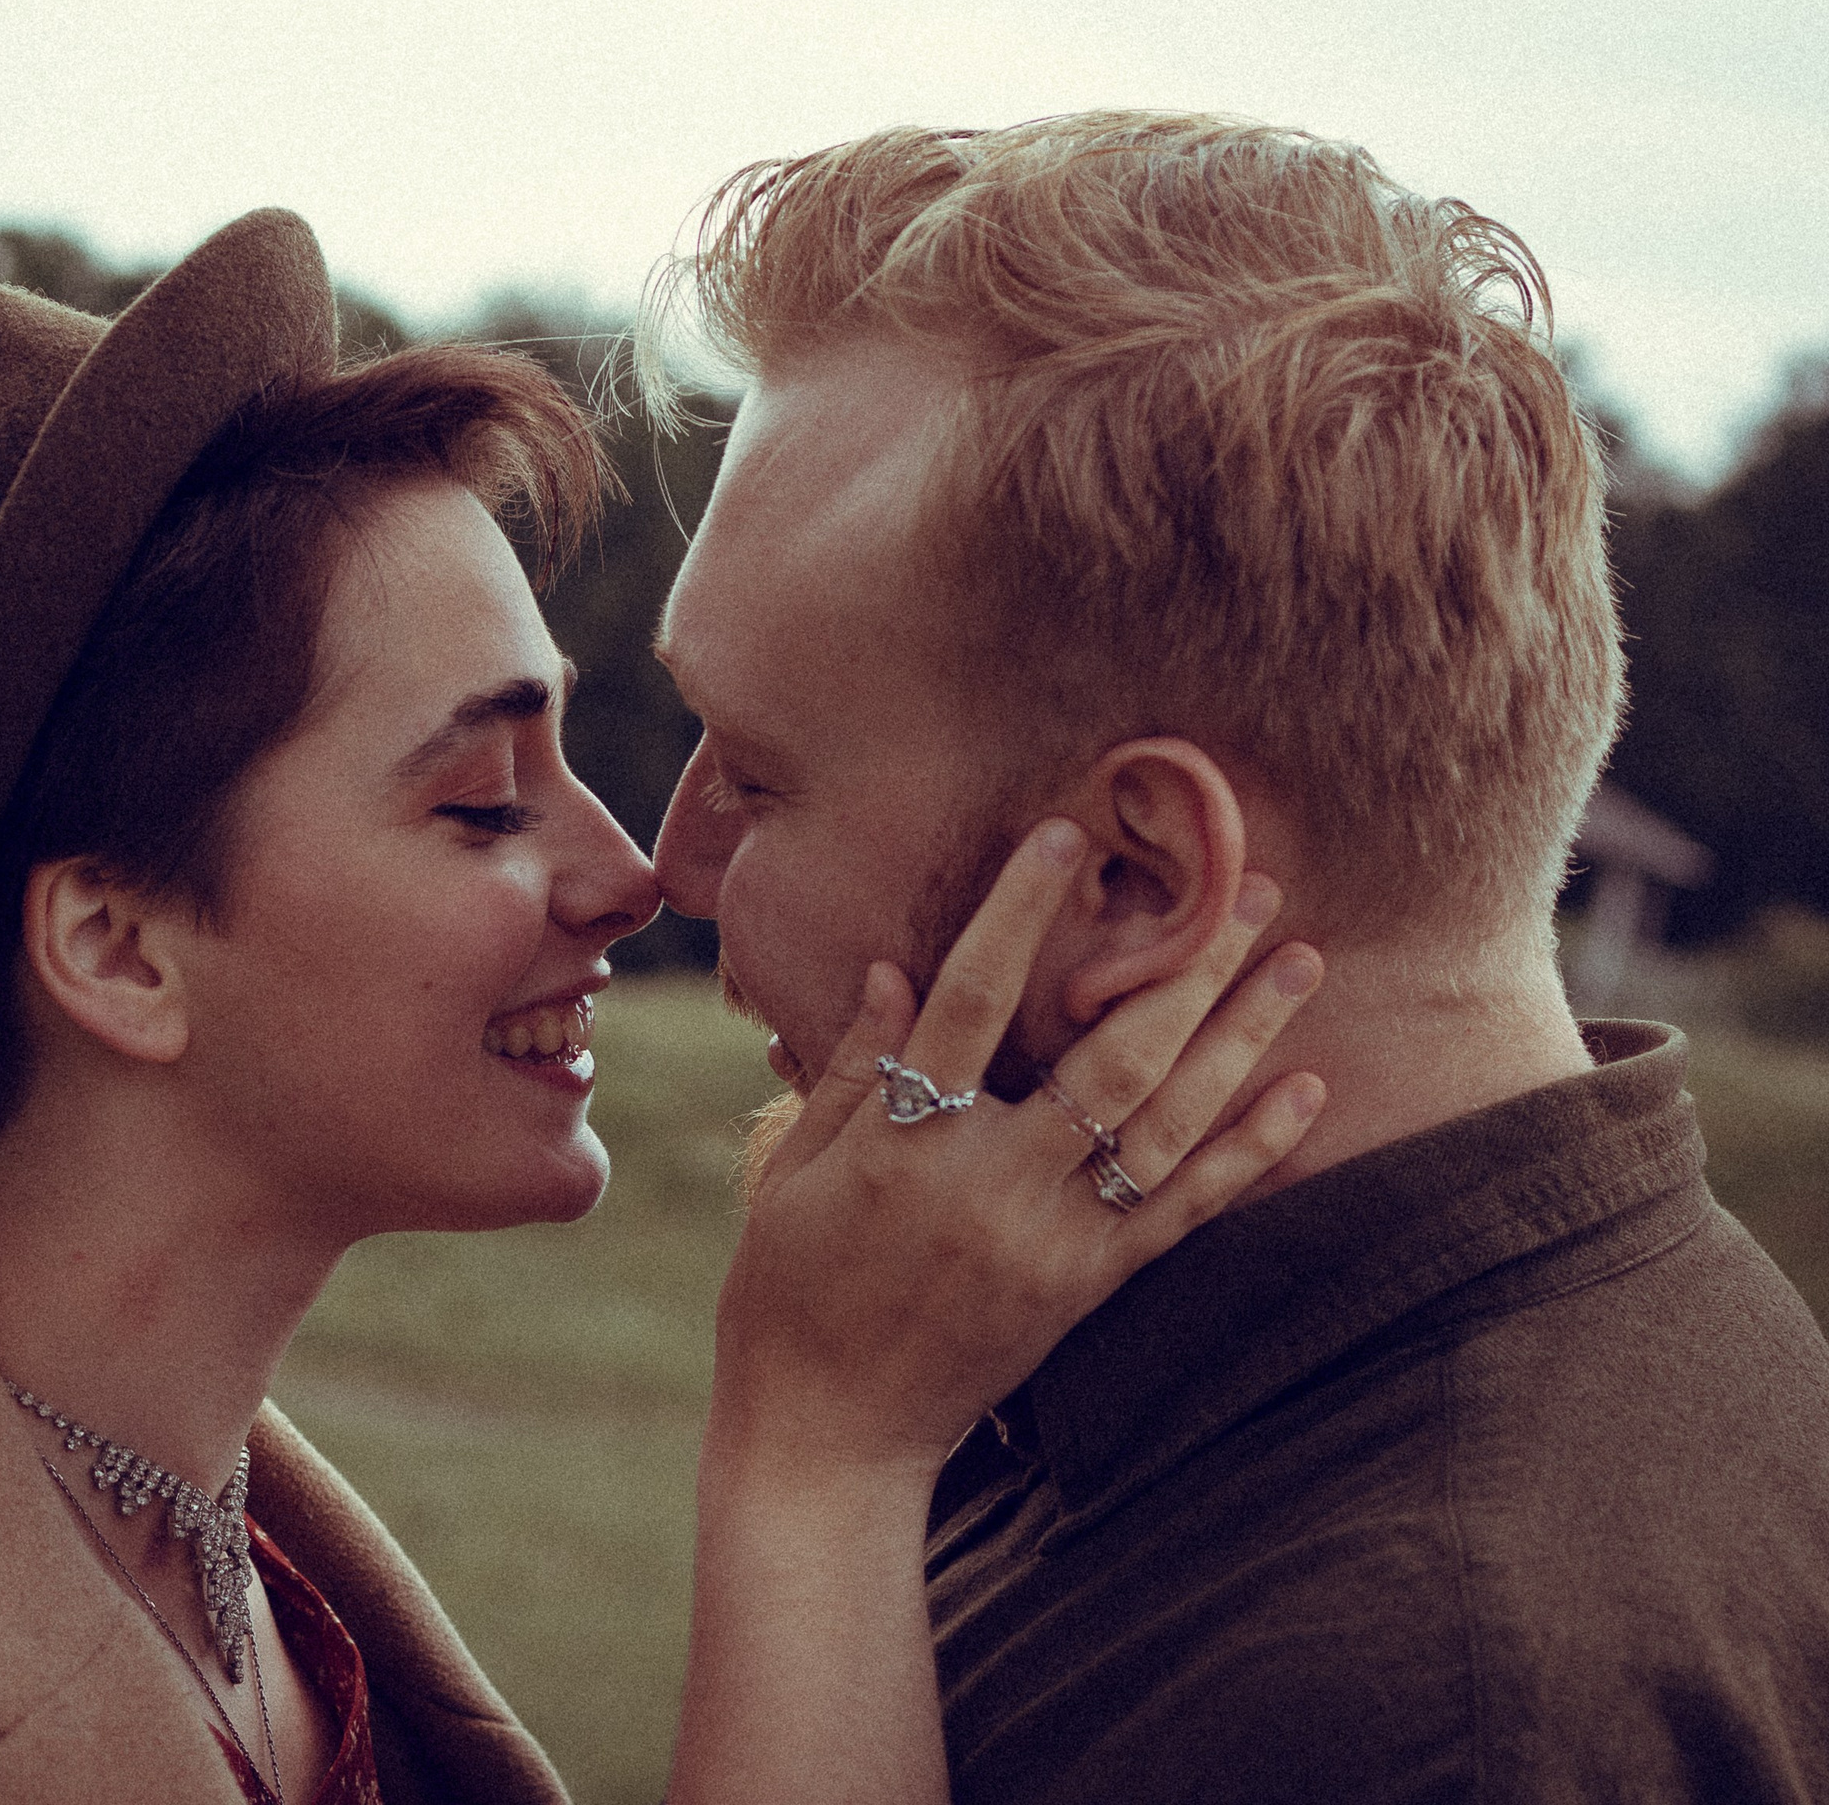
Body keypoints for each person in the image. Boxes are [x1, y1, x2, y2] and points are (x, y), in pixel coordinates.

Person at [0, 208, 1327, 1804]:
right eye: (476, 798)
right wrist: (820, 1448)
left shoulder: (268, 1592)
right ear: (117, 949)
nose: (632, 873)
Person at [641, 113, 1829, 1801]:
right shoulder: (1168, 1360)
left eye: (756, 774)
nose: (667, 861)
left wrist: (812, 1473)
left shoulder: (1435, 1711)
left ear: (1134, 880)